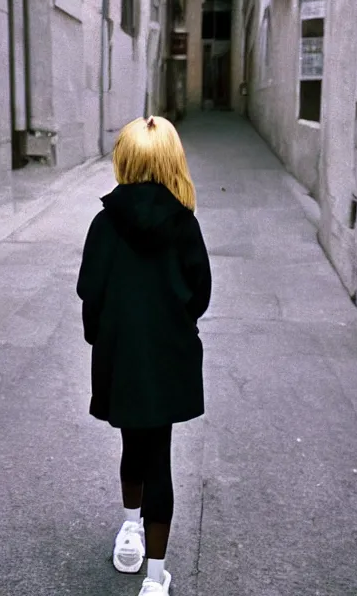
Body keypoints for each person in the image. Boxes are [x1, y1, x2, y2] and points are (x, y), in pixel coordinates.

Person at [76, 115, 212, 596]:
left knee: (132, 443)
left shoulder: (103, 223)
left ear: (125, 159)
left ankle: (130, 531)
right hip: (167, 356)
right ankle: (155, 579)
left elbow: (89, 290)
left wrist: (102, 337)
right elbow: (200, 294)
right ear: (173, 159)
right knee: (160, 456)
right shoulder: (184, 224)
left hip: (119, 354)